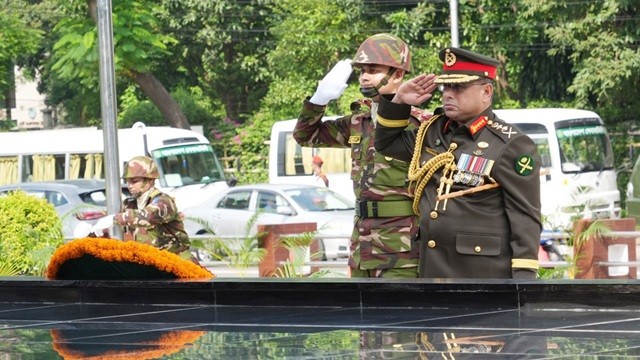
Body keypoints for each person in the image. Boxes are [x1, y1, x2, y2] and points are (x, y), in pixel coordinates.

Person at [374, 47, 542, 279]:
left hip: (482, 275)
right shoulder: (432, 131)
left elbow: (525, 217)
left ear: (486, 91)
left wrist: (522, 280)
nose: (448, 94)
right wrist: (399, 101)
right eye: (446, 87)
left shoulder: (510, 144)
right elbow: (386, 144)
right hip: (433, 271)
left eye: (459, 87)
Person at [293, 33, 434, 278]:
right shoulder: (359, 121)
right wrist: (319, 99)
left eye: (373, 69)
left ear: (398, 74)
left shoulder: (421, 124)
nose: (365, 76)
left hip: (402, 251)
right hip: (362, 246)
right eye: (362, 71)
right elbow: (305, 136)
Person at [91, 156, 196, 262]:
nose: (129, 186)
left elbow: (148, 216)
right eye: (127, 182)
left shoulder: (163, 201)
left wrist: (114, 219)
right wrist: (92, 231)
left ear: (150, 181)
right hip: (150, 264)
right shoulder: (129, 205)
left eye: (134, 181)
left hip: (178, 263)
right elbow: (114, 233)